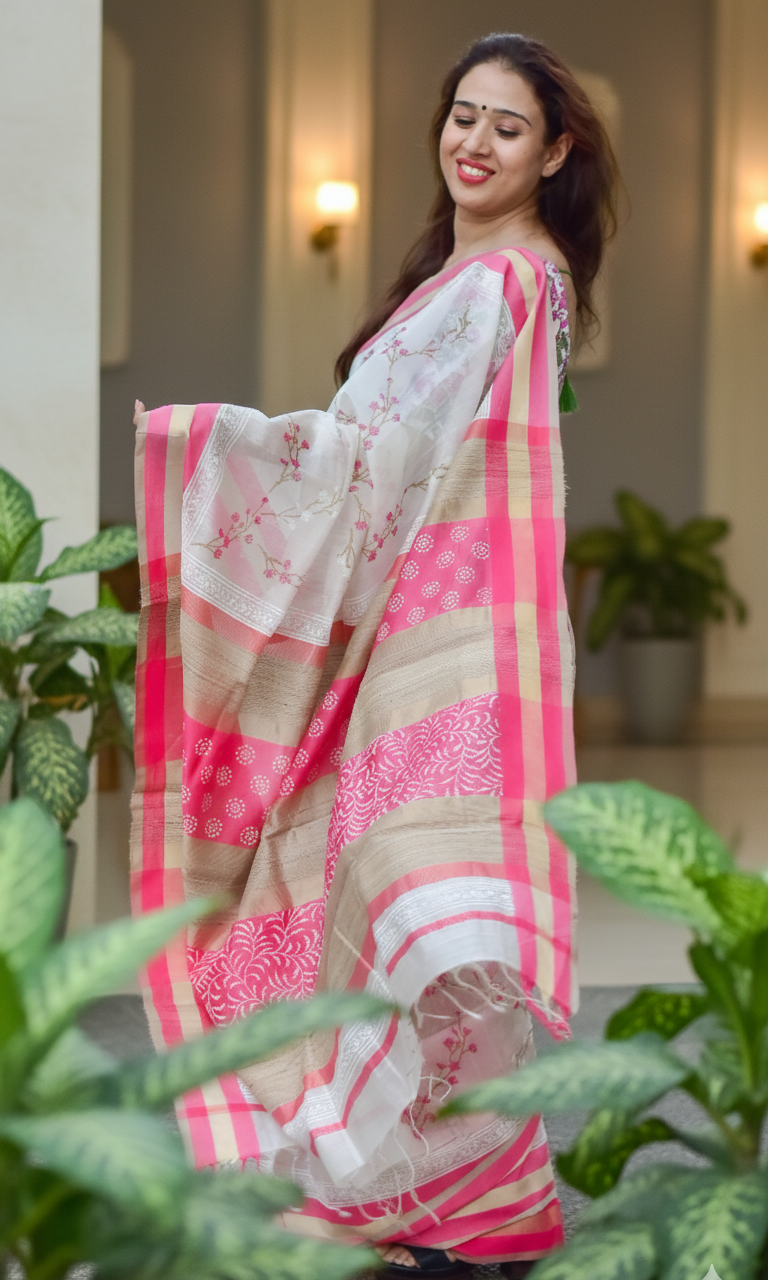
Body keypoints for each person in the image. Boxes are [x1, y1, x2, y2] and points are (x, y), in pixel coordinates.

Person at [131, 31, 617, 1278]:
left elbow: (394, 464)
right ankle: (456, 1196)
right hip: (411, 626)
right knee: (386, 891)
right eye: (464, 116)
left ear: (554, 150)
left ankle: (440, 1196)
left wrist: (217, 444)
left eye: (507, 125)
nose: (475, 142)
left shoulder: (509, 282)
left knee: (410, 887)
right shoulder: (457, 274)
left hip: (439, 636)